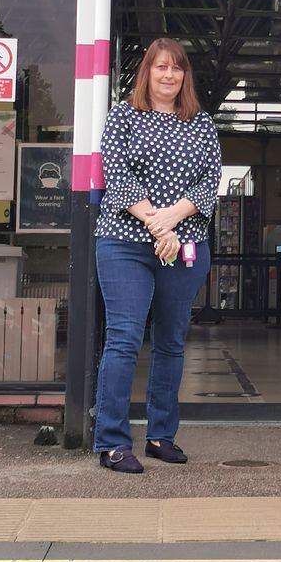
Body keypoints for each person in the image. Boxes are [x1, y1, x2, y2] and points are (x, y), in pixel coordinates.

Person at [93, 37, 221, 473]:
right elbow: (117, 173)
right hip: (125, 242)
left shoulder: (201, 123)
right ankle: (112, 441)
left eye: (177, 68)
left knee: (170, 342)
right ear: (146, 71)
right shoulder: (124, 116)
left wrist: (171, 222)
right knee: (125, 337)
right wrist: (157, 224)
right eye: (160, 67)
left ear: (185, 76)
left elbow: (209, 183)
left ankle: (161, 435)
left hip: (184, 246)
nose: (168, 75)